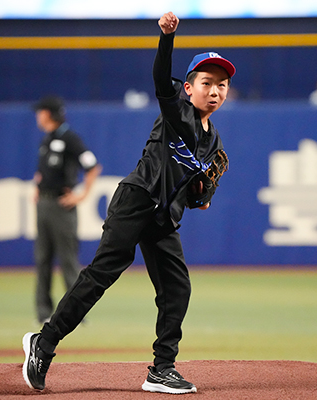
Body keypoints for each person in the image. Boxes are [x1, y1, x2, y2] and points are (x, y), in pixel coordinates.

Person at [22, 11, 235, 395]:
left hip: (163, 217)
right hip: (137, 200)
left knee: (177, 287)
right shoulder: (177, 111)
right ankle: (44, 342)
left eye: (222, 85)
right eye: (206, 83)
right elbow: (161, 80)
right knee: (101, 274)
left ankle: (162, 369)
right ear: (189, 88)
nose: (215, 91)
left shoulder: (213, 141)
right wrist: (167, 38)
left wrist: (201, 196)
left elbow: (195, 192)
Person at [32, 95, 102, 324]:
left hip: (62, 206)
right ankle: (43, 313)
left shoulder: (69, 138)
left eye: (41, 111)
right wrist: (38, 186)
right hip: (44, 204)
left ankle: (76, 313)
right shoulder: (46, 139)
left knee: (68, 260)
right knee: (42, 259)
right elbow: (44, 171)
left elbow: (92, 166)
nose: (38, 116)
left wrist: (82, 194)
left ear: (49, 114)